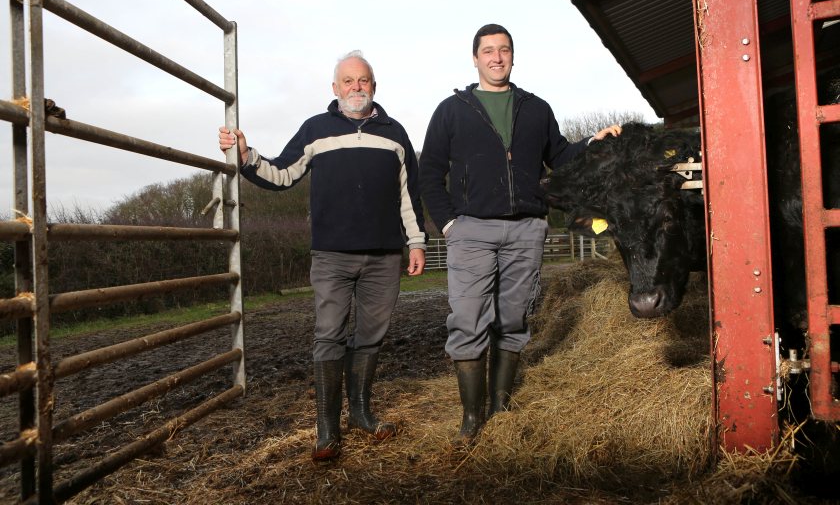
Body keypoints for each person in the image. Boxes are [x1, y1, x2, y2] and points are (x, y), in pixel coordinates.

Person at [218, 50, 427, 461]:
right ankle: (327, 430)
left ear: (374, 87)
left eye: (363, 80)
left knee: (371, 337)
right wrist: (246, 155)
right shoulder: (316, 129)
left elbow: (409, 195)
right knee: (329, 335)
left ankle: (362, 415)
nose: (356, 87)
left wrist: (416, 241)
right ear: (335, 89)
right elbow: (282, 173)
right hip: (332, 256)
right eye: (348, 81)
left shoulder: (395, 133)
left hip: (384, 256)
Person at [419, 24, 620, 444]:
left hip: (527, 229)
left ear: (513, 56)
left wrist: (592, 143)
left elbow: (561, 157)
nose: (497, 57)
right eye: (488, 51)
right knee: (469, 318)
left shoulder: (536, 107)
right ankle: (472, 419)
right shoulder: (451, 110)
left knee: (513, 318)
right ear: (474, 58)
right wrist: (451, 225)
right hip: (471, 230)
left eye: (504, 50)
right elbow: (429, 173)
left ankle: (500, 407)